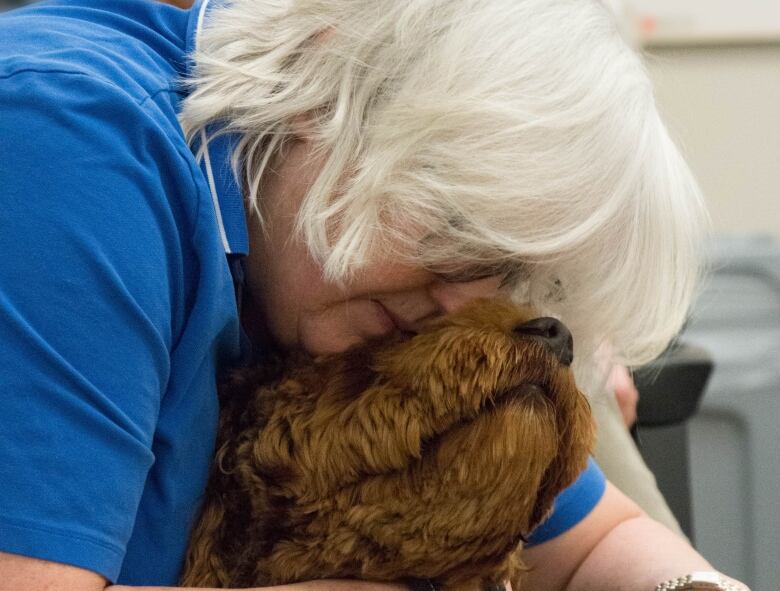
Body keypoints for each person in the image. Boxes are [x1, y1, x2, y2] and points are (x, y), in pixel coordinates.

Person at [0, 0, 748, 590]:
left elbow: (598, 545)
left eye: (510, 271)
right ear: (329, 91)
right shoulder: (70, 153)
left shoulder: (344, 283)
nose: (468, 304)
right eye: (454, 227)